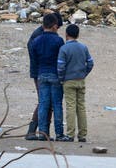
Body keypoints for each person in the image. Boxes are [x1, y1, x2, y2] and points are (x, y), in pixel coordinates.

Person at [29, 13, 73, 142]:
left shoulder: (36, 41)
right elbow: (61, 58)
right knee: (56, 104)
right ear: (54, 26)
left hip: (41, 74)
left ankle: (43, 133)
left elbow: (34, 58)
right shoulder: (58, 40)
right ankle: (59, 133)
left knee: (43, 104)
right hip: (54, 74)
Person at [57, 24, 94, 143]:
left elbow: (60, 67)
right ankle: (82, 135)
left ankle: (70, 134)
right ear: (78, 35)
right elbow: (90, 63)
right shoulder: (83, 47)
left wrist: (61, 79)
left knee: (71, 107)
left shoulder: (64, 49)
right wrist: (83, 74)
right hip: (81, 80)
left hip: (68, 80)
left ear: (66, 35)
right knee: (81, 107)